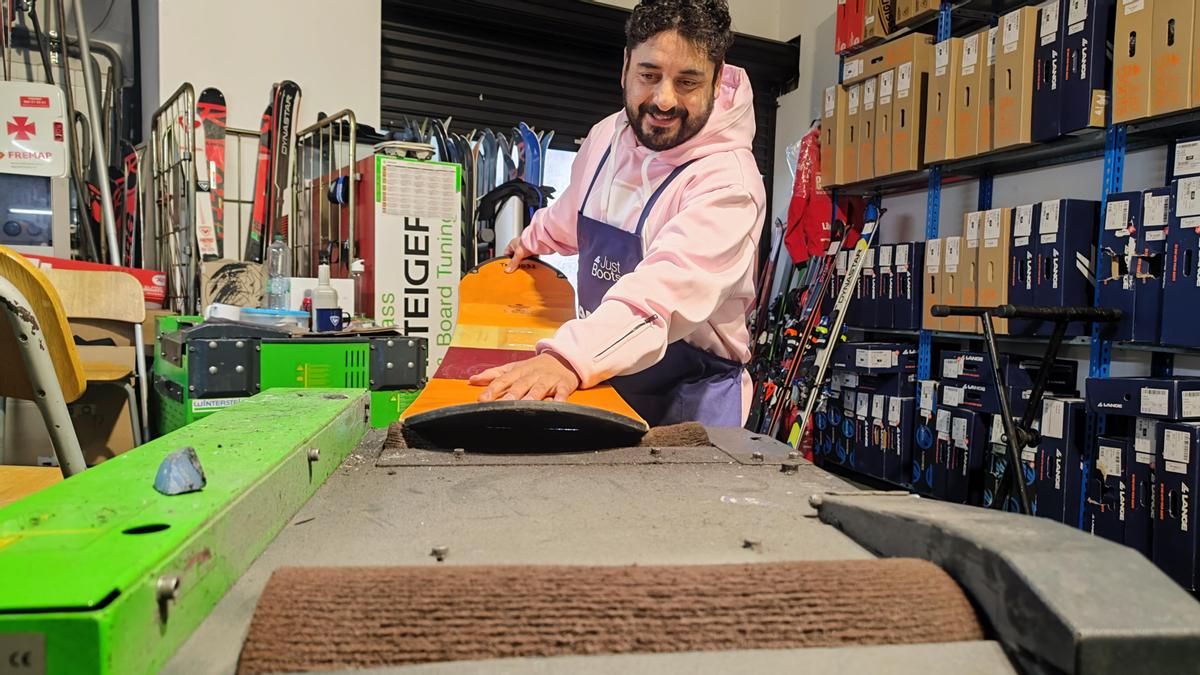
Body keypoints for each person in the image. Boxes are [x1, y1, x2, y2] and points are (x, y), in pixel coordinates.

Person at [470, 0, 766, 427]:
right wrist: (531, 240)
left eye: (687, 82)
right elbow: (575, 211)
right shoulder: (606, 136)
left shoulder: (729, 185)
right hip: (606, 373)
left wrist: (568, 359)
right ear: (625, 65)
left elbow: (661, 297)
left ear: (717, 81)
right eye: (649, 75)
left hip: (688, 398)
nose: (664, 100)